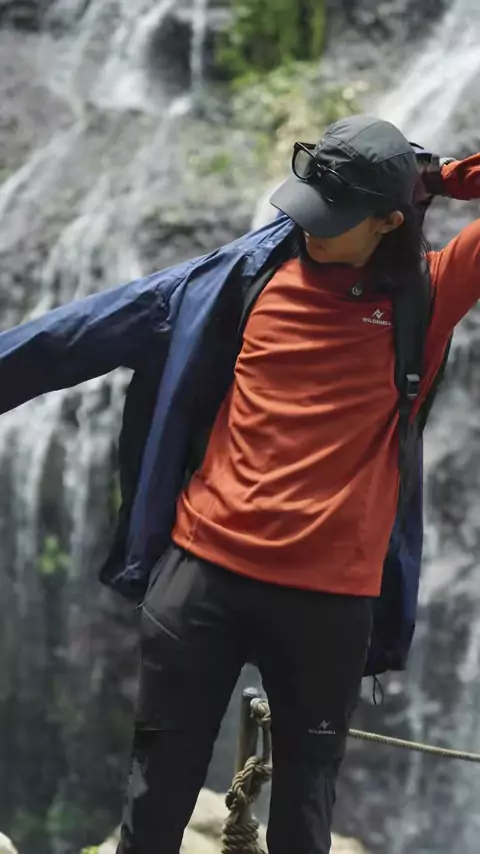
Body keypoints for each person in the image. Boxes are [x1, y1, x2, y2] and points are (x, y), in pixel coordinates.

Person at [1, 115, 480, 853]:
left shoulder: (431, 293)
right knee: (153, 803)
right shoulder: (243, 278)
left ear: (390, 221)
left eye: (335, 217)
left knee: (304, 815)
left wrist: (441, 175)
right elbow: (77, 334)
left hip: (327, 606)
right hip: (201, 582)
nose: (311, 228)